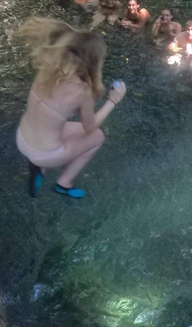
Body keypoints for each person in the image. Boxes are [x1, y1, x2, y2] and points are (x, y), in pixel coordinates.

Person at [15, 18, 126, 199]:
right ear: (94, 62)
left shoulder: (47, 69)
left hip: (21, 138)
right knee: (97, 136)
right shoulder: (82, 92)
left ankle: (37, 169)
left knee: (60, 126)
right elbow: (89, 128)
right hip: (44, 153)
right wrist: (113, 101)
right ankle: (64, 183)